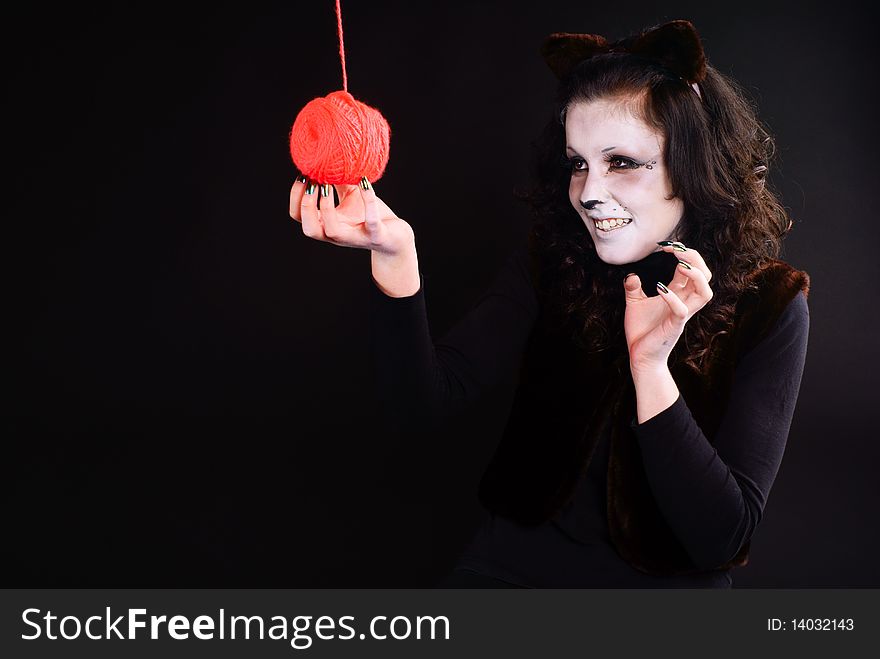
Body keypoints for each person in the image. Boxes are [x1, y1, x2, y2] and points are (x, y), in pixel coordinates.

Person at [288, 19, 810, 588]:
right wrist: (396, 258)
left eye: (623, 162)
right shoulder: (551, 263)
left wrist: (650, 368)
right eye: (578, 162)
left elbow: (719, 538)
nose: (588, 191)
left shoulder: (771, 302)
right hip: (511, 578)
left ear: (693, 168)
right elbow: (417, 408)